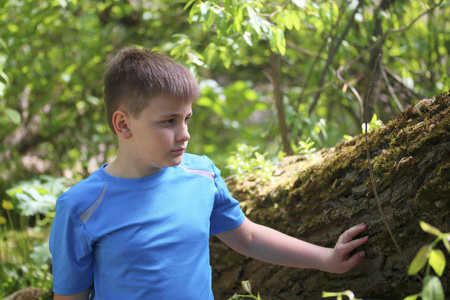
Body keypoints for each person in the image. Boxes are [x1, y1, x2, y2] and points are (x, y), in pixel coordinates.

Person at [49, 47, 369, 300]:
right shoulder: (81, 207)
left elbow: (249, 236)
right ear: (123, 124)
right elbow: (69, 296)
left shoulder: (202, 175)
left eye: (187, 119)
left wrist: (327, 259)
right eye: (168, 121)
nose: (184, 133)